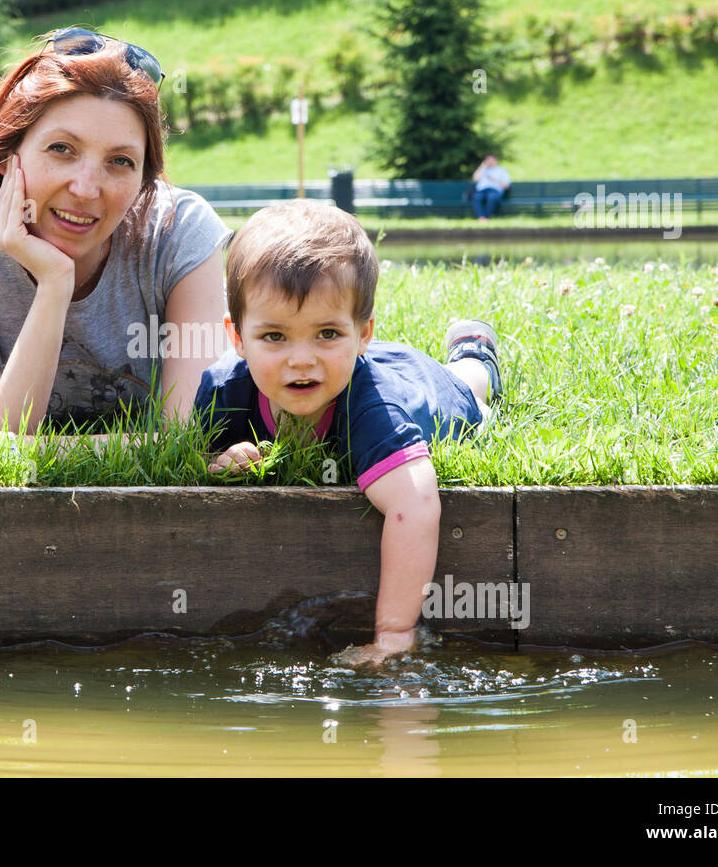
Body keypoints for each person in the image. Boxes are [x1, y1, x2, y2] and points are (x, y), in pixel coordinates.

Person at [194, 199, 503, 663]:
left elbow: (414, 506)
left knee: (469, 388)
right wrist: (214, 463)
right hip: (368, 366)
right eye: (274, 337)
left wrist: (394, 635)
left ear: (362, 333)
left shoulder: (376, 411)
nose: (301, 359)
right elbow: (188, 459)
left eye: (327, 333)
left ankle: (475, 350)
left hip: (431, 390)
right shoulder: (223, 392)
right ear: (237, 337)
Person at [0, 28, 230, 434]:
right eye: (62, 149)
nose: (86, 189)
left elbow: (183, 438)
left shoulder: (181, 233)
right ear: (6, 155)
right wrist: (55, 283)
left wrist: (28, 451)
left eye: (120, 161)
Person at [471, 154, 511, 220]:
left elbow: (506, 186)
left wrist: (494, 180)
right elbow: (475, 179)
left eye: (491, 160)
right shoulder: (483, 170)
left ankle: (486, 217)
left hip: (495, 190)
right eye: (487, 160)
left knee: (491, 197)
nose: (489, 162)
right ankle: (480, 217)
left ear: (496, 160)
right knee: (476, 197)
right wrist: (482, 166)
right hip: (482, 190)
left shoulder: (502, 171)